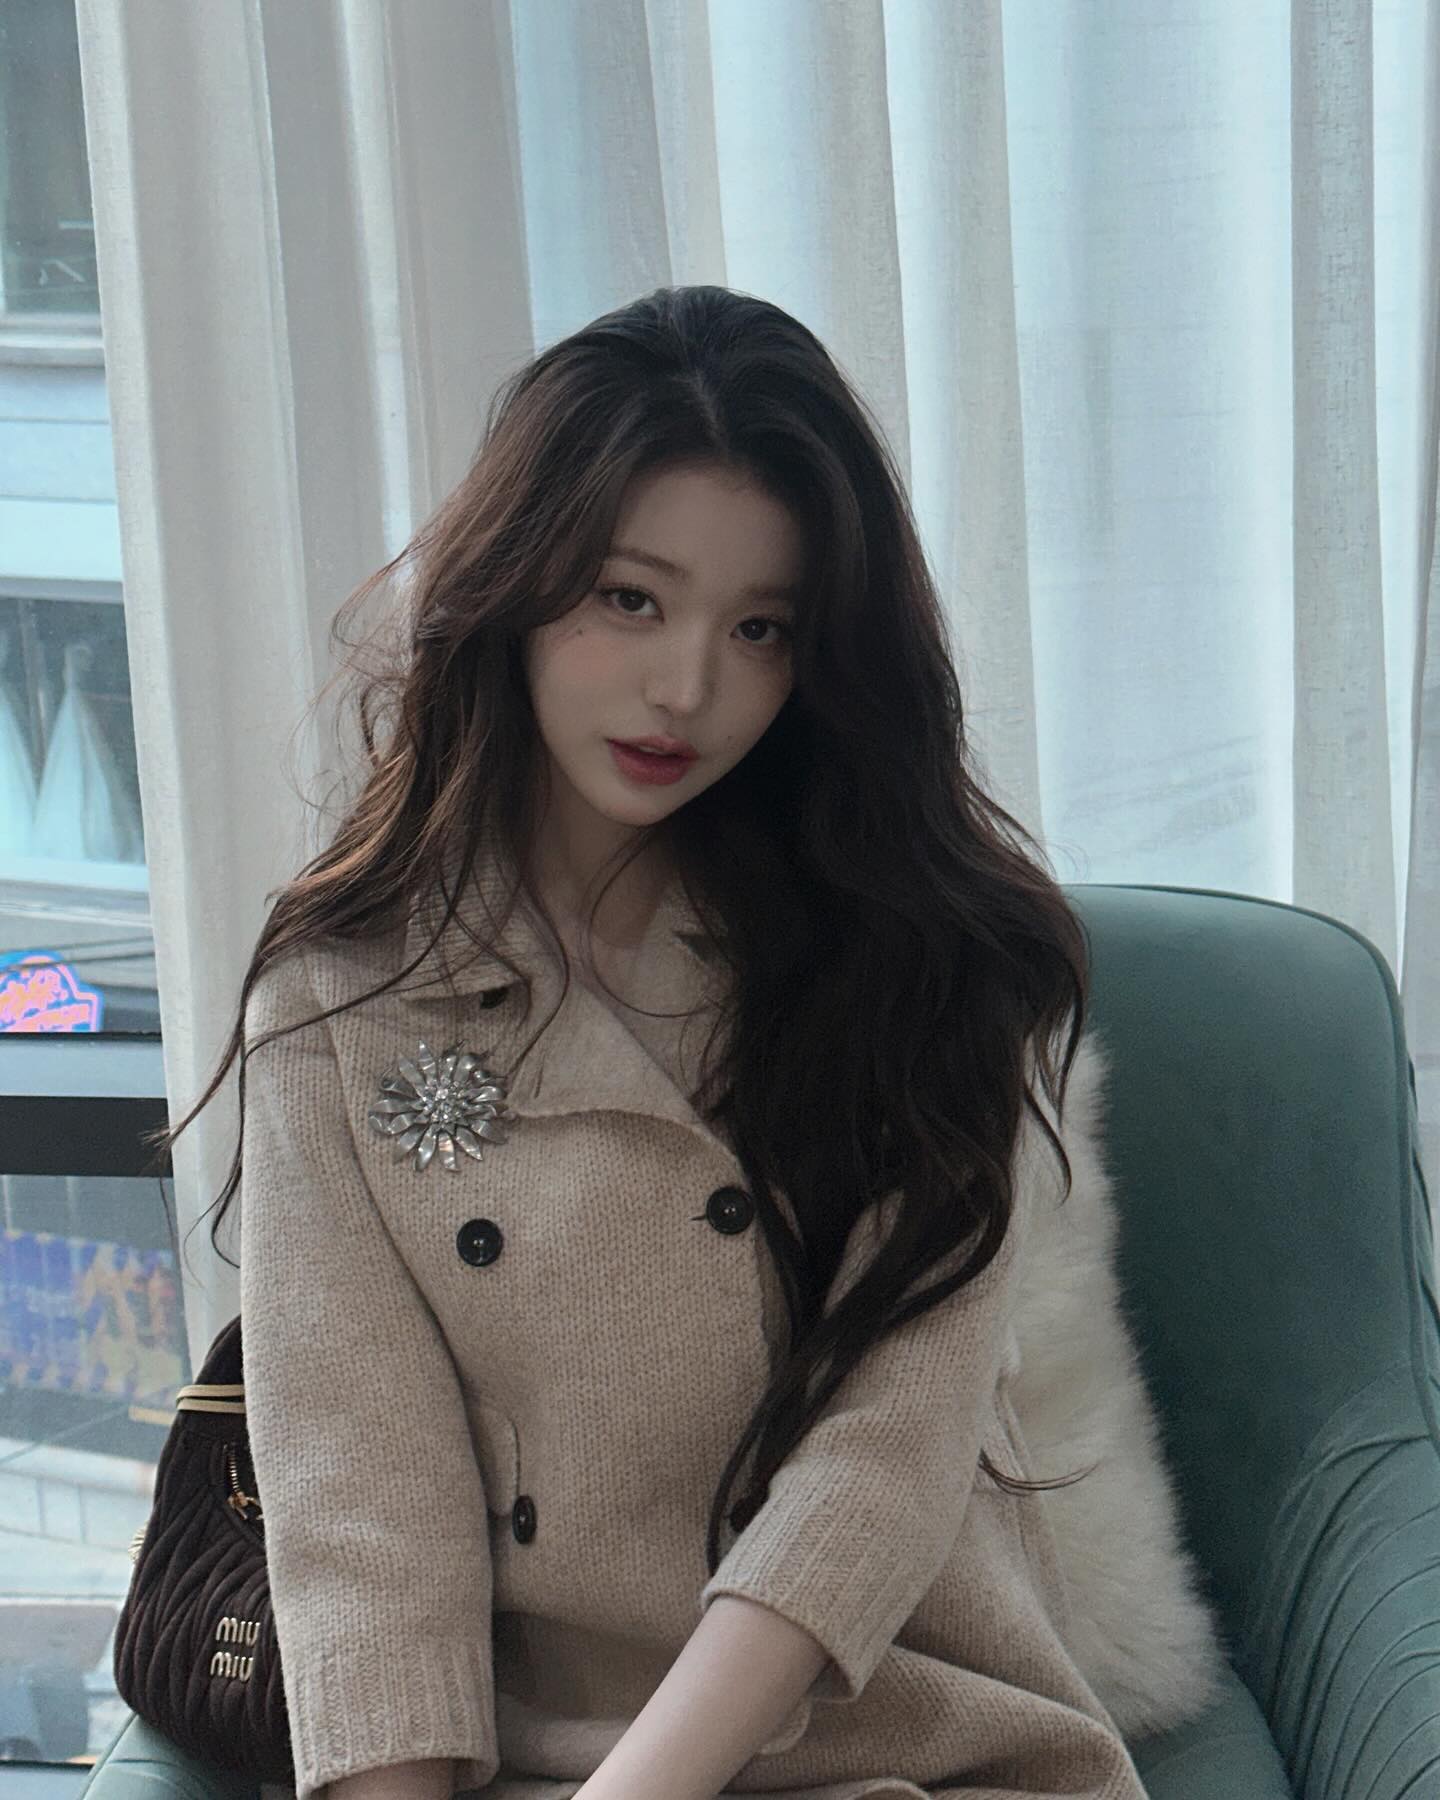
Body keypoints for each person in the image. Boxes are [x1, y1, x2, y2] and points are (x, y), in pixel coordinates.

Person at [165, 285, 1148, 1800]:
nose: (689, 688)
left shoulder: (922, 961)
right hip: (529, 1756)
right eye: (632, 599)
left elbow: (884, 1456)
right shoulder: (341, 991)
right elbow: (365, 1495)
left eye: (761, 630)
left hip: (910, 1736)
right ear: (517, 581)